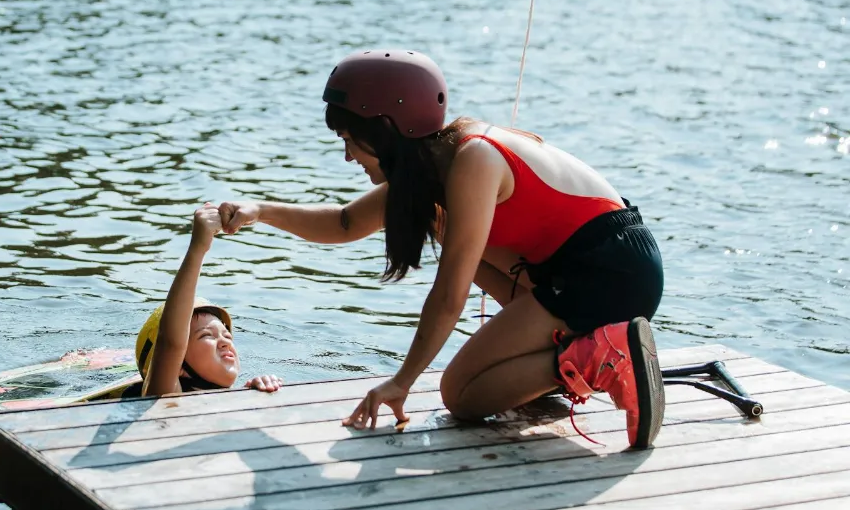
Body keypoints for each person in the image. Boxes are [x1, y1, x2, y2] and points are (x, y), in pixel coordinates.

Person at [218, 49, 665, 448]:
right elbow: (345, 222)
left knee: (462, 395)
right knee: (443, 229)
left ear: (387, 130)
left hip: (608, 270)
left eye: (351, 140)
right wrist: (261, 210)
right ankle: (584, 352)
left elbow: (450, 295)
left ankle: (600, 356)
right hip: (600, 267)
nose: (349, 157)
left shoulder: (474, 159)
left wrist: (402, 381)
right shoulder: (436, 164)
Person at [128, 203, 283, 398]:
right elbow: (170, 342)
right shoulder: (162, 395)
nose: (225, 343)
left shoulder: (242, 392)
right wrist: (198, 247)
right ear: (179, 367)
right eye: (207, 336)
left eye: (227, 336)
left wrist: (257, 394)